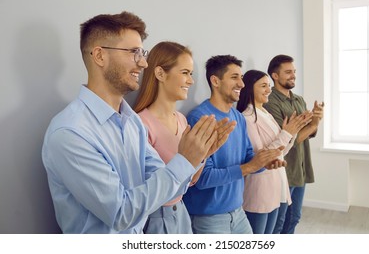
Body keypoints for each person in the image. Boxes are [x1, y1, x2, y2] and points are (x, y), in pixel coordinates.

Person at [41, 12, 219, 234]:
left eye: (141, 53)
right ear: (99, 56)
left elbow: (170, 190)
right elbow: (121, 213)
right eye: (134, 52)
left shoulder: (132, 122)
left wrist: (196, 157)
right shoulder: (70, 132)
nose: (143, 63)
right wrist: (184, 160)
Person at [133, 41, 235, 233]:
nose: (191, 81)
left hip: (180, 213)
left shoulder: (181, 120)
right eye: (185, 73)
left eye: (191, 74)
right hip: (155, 218)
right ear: (160, 74)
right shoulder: (140, 125)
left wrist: (203, 155)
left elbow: (191, 181)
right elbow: (150, 192)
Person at [183, 55, 286, 234]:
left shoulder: (237, 116)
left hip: (238, 212)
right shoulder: (200, 118)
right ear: (215, 81)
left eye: (241, 77)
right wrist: (249, 167)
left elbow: (248, 157)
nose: (242, 84)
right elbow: (202, 178)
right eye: (234, 77)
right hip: (209, 218)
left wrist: (262, 164)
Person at [236, 69, 312, 234]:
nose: (269, 90)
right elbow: (261, 157)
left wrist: (292, 133)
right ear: (249, 89)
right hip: (260, 189)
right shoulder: (246, 118)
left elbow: (280, 152)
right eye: (263, 86)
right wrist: (286, 133)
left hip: (278, 184)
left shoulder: (266, 114)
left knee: (275, 232)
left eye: (269, 85)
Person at [265, 54, 324, 234]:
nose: (293, 75)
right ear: (275, 76)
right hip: (284, 170)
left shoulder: (298, 99)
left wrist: (314, 121)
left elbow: (305, 134)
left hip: (300, 167)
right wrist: (314, 123)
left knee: (294, 217)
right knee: (280, 222)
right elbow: (288, 140)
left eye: (294, 72)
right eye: (288, 72)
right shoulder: (270, 102)